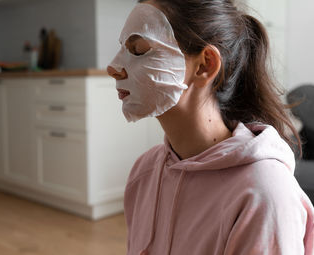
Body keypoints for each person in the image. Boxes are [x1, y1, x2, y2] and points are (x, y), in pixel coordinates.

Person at [107, 0, 314, 254]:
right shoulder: (144, 172)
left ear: (205, 65)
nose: (113, 68)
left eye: (138, 50)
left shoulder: (265, 195)